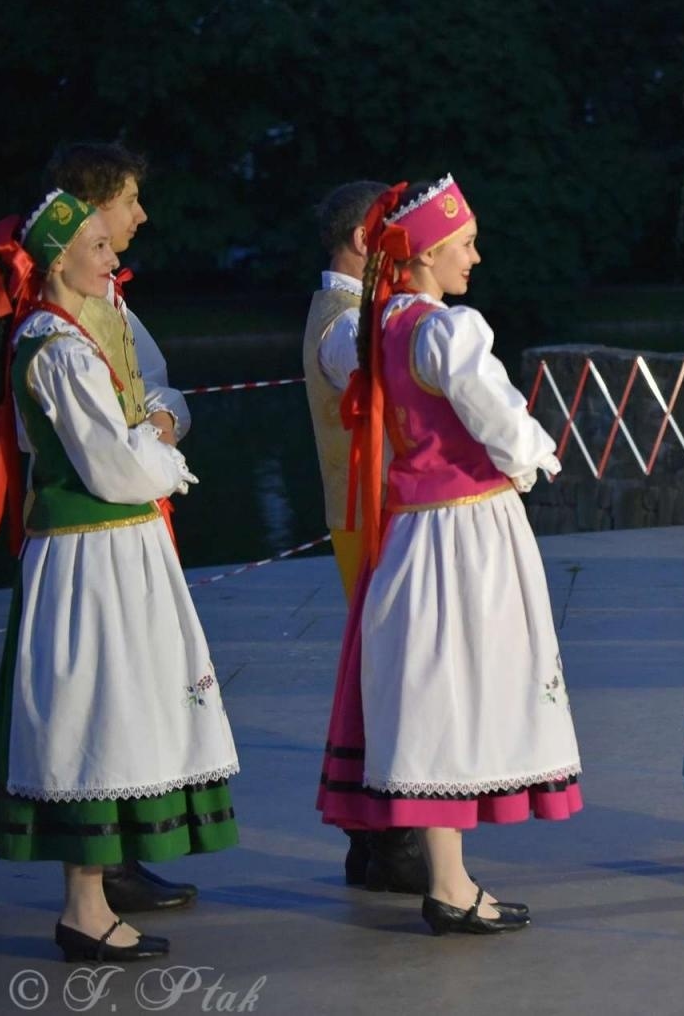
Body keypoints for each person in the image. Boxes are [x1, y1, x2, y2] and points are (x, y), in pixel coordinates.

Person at [317, 177, 581, 936]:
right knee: (465, 688)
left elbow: (361, 377)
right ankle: (448, 885)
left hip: (410, 530)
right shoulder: (445, 329)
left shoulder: (373, 325)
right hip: (467, 532)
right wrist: (534, 458)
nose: (475, 255)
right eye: (464, 243)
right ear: (427, 253)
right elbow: (499, 417)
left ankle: (449, 878)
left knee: (435, 695)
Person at [0, 191, 237, 961]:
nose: (111, 260)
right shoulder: (56, 348)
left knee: (115, 708)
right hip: (89, 554)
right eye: (97, 248)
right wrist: (165, 460)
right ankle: (83, 909)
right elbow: (113, 465)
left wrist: (148, 448)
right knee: (93, 709)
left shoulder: (71, 335)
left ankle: (91, 903)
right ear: (57, 261)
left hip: (112, 546)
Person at [44, 142, 201, 914]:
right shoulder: (54, 327)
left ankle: (121, 858)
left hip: (132, 513)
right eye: (129, 201)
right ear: (93, 208)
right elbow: (92, 442)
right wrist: (152, 447)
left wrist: (164, 421)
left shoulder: (109, 302)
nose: (140, 216)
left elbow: (157, 388)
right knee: (100, 687)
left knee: (135, 684)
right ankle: (98, 875)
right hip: (90, 530)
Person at [302, 180, 428, 895]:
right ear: (362, 241)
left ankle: (376, 838)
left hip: (370, 513)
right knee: (391, 666)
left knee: (384, 663)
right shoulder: (344, 325)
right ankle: (390, 835)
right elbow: (393, 390)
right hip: (372, 515)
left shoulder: (349, 314)